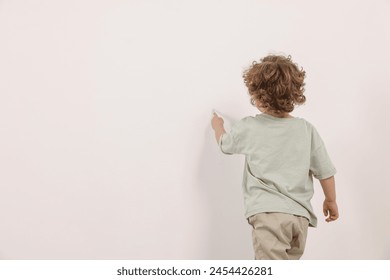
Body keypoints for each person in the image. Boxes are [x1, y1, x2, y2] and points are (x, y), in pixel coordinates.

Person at [211, 54, 339, 260]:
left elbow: (225, 145)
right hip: (300, 218)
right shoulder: (306, 130)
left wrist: (218, 126)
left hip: (268, 214)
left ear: (258, 96)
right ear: (295, 94)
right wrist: (331, 200)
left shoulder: (250, 127)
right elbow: (325, 171)